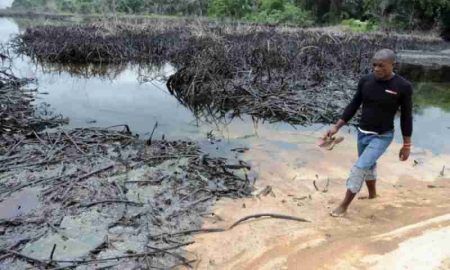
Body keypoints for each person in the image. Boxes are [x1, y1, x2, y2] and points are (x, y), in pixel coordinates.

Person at [325, 48, 413, 217]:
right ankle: (373, 194)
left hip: (382, 136)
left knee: (360, 167)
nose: (377, 69)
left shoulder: (403, 86)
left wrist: (406, 144)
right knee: (369, 165)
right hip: (362, 133)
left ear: (392, 64)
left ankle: (344, 205)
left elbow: (406, 117)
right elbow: (354, 104)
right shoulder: (366, 81)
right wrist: (337, 126)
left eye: (382, 66)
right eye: (374, 65)